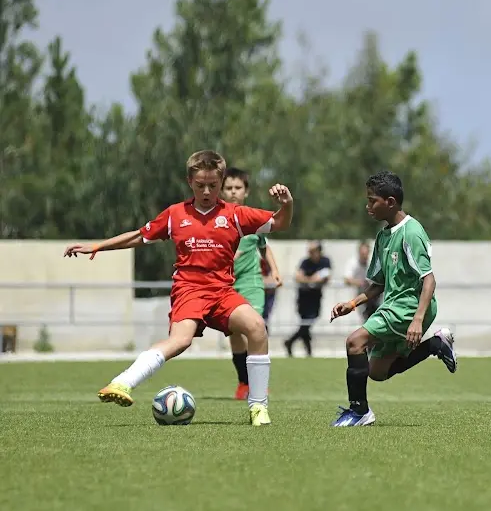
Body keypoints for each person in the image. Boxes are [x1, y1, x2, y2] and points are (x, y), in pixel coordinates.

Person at [63, 150, 294, 427]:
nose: (207, 191)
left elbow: (281, 222)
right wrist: (98, 246)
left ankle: (258, 407)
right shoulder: (176, 214)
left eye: (213, 185)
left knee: (257, 327)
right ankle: (122, 383)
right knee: (180, 341)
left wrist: (287, 204)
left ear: (221, 182)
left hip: (222, 292)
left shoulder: (235, 215)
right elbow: (139, 235)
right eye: (200, 185)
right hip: (189, 290)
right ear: (189, 182)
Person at [329, 171, 457, 427]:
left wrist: (417, 320)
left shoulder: (411, 232)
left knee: (355, 343)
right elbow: (378, 284)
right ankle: (434, 345)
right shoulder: (383, 236)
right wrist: (352, 303)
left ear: (390, 202)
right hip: (394, 305)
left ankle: (359, 411)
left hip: (410, 306)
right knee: (377, 371)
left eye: (372, 200)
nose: (368, 206)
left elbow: (429, 280)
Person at [222, 166, 281, 401]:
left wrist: (275, 271)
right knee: (235, 335)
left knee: (255, 328)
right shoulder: (218, 219)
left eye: (238, 188)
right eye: (229, 188)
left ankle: (259, 386)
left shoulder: (251, 219)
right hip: (225, 284)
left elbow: (264, 248)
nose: (233, 192)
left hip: (251, 282)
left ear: (245, 192)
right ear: (221, 190)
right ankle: (243, 382)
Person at [284, 241, 331, 357]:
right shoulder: (305, 262)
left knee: (308, 323)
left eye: (312, 251)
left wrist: (308, 280)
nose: (310, 253)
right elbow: (298, 276)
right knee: (305, 323)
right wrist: (311, 280)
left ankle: (290, 341)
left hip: (315, 297)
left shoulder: (325, 261)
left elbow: (324, 277)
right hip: (303, 297)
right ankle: (308, 352)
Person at [344, 240, 381, 321]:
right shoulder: (352, 262)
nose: (364, 256)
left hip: (375, 295)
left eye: (366, 253)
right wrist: (360, 282)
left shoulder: (373, 261)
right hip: (361, 294)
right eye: (362, 253)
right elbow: (347, 279)